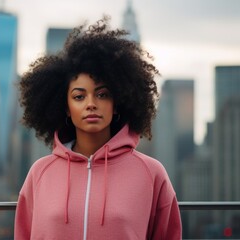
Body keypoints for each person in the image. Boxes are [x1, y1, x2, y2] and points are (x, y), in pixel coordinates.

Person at [14, 17, 182, 240]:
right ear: (65, 107)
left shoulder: (151, 173)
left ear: (117, 103)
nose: (91, 103)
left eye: (102, 94)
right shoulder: (40, 173)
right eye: (79, 96)